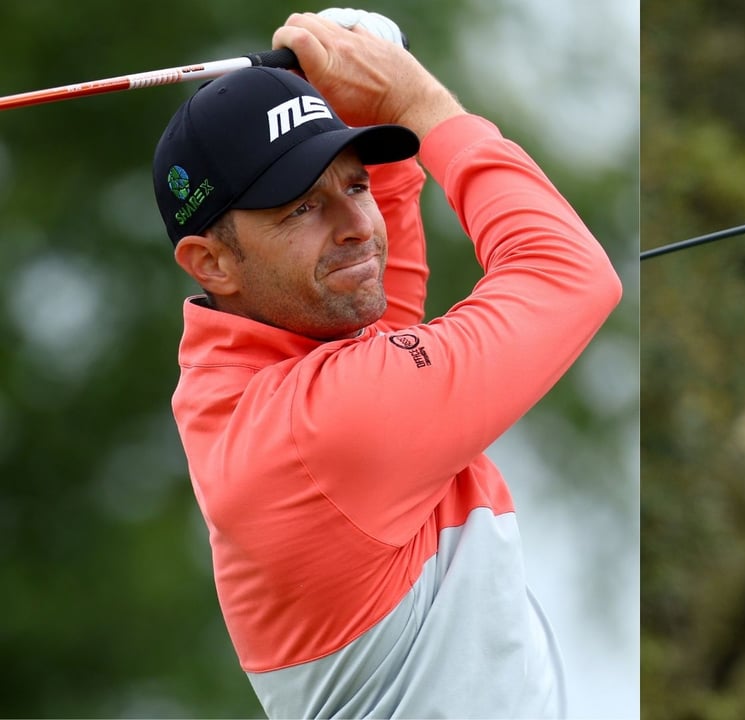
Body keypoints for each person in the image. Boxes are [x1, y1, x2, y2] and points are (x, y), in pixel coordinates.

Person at [151, 9, 622, 718]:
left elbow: (375, 302)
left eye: (355, 185)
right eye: (302, 206)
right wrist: (416, 102)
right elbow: (570, 276)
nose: (356, 226)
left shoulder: (247, 387)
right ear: (211, 262)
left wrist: (376, 127)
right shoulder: (322, 429)